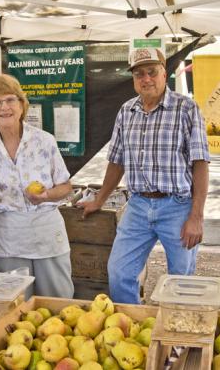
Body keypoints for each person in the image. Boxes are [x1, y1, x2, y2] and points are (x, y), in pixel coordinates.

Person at [79, 48, 210, 304]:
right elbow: (116, 162)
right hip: (138, 206)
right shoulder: (126, 111)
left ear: (164, 73)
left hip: (177, 207)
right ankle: (131, 329)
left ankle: (174, 339)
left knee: (180, 280)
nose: (146, 79)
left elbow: (200, 165)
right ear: (133, 79)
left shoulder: (186, 109)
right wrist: (98, 200)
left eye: (152, 72)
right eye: (139, 74)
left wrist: (196, 217)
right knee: (119, 272)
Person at [0, 74, 74, 298]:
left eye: (10, 100)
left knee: (58, 303)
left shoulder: (44, 141)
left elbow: (66, 186)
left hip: (46, 235)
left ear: (21, 104)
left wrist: (46, 195)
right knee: (16, 309)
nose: (4, 107)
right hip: (6, 238)